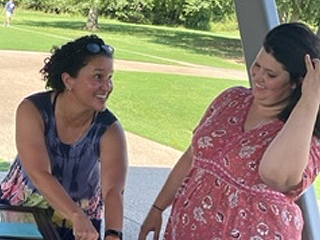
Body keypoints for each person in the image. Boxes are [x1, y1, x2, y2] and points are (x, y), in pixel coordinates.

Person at [139, 22, 320, 240]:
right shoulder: (231, 99)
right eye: (257, 65)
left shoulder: (304, 136)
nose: (258, 76)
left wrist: (311, 98)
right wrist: (158, 208)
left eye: (271, 74)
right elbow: (193, 156)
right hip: (187, 229)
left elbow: (276, 176)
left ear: (296, 83)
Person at [0, 34, 127, 240]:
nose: (107, 86)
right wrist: (76, 215)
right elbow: (39, 172)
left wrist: (114, 234)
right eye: (98, 77)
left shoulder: (110, 129)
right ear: (68, 80)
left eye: (110, 77)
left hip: (80, 223)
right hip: (22, 211)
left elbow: (113, 190)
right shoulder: (33, 110)